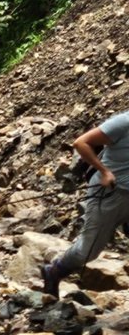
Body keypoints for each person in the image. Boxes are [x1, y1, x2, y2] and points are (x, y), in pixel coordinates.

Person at [41, 111, 129, 297]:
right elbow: (81, 143)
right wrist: (104, 172)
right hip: (109, 193)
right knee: (88, 251)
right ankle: (54, 271)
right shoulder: (123, 122)